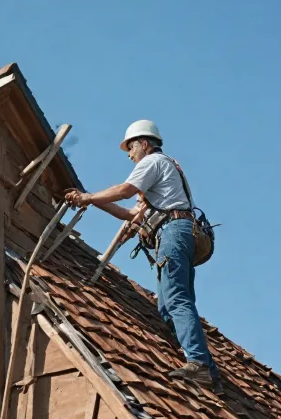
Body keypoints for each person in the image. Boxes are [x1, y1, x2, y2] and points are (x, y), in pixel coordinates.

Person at [64, 120, 222, 394]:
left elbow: (125, 191)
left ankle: (198, 363)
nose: (129, 154)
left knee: (176, 298)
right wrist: (91, 200)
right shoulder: (160, 179)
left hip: (173, 232)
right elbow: (132, 216)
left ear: (145, 143)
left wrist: (88, 197)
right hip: (178, 232)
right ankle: (207, 372)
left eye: (131, 147)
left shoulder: (152, 162)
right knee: (166, 305)